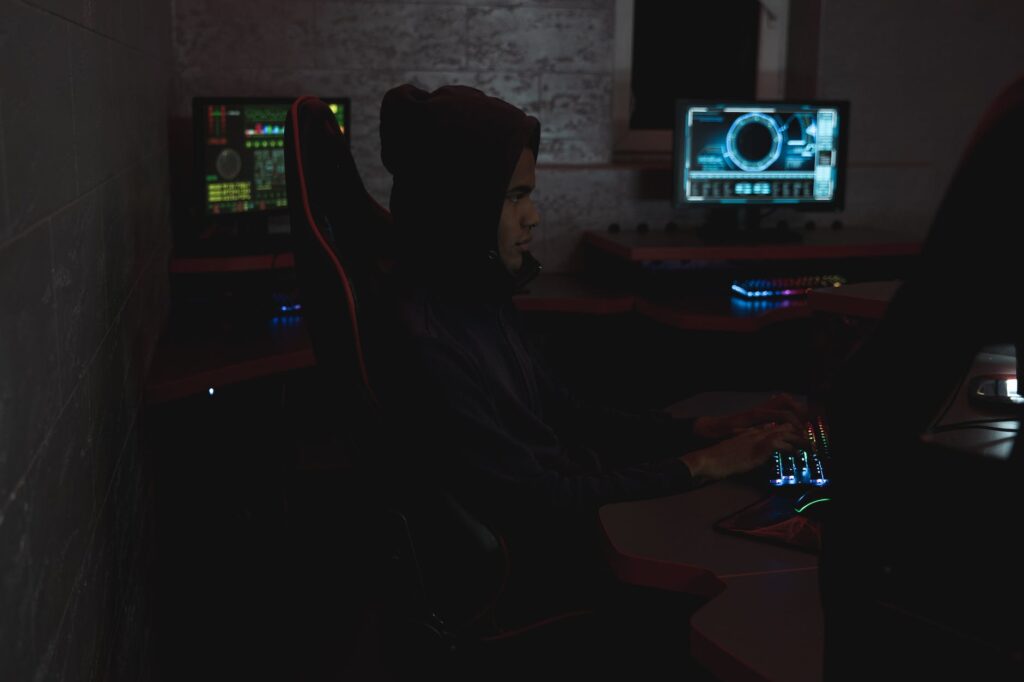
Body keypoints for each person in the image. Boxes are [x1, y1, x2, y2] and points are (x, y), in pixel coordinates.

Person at [376, 83, 806, 672]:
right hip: (550, 568)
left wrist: (705, 430)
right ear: (461, 203)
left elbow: (568, 414)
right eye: (514, 198)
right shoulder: (428, 343)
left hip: (575, 525)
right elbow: (543, 504)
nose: (533, 216)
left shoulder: (473, 296)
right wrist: (706, 464)